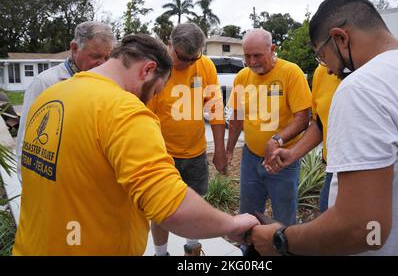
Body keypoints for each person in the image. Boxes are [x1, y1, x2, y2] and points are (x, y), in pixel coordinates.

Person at [13, 34, 259, 256]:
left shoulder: (51, 95)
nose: (151, 98)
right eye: (156, 90)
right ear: (148, 69)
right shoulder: (124, 110)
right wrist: (233, 225)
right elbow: (171, 206)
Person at [250, 0, 398, 256]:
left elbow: (363, 229)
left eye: (322, 56)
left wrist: (280, 239)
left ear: (340, 38)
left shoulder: (363, 87)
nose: (329, 70)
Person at [147, 23, 227, 256]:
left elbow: (215, 109)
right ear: (170, 44)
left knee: (194, 206)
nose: (190, 64)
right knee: (161, 210)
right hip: (163, 155)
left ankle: (192, 249)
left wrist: (220, 150)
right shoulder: (155, 69)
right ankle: (161, 254)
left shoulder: (205, 65)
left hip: (195, 153)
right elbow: (145, 117)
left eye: (195, 58)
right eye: (183, 58)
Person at [226, 29, 311, 228]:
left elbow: (303, 118)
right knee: (248, 215)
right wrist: (229, 149)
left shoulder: (291, 72)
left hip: (282, 160)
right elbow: (237, 118)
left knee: (283, 218)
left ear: (272, 49)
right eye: (247, 56)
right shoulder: (242, 77)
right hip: (251, 158)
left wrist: (277, 139)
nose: (252, 61)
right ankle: (250, 255)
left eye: (257, 55)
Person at [15, 21, 115, 183]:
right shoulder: (45, 83)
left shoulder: (107, 85)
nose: (102, 63)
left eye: (107, 57)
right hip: (50, 181)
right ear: (74, 48)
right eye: (95, 56)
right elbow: (25, 139)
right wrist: (26, 182)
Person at [264, 64, 340, 212]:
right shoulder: (322, 70)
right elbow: (319, 124)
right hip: (333, 172)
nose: (329, 69)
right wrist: (292, 153)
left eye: (323, 53)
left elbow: (302, 119)